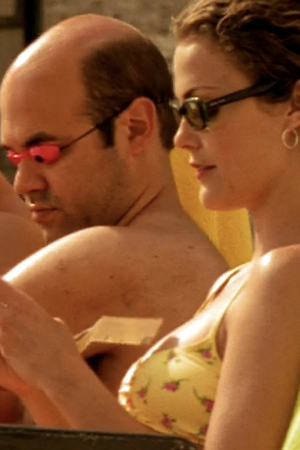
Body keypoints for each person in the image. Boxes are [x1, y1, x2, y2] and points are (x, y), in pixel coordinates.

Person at [0, 1, 300, 449]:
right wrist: (41, 381)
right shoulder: (236, 280)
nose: (180, 136)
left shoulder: (282, 275)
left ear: (295, 104)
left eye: (202, 108)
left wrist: (60, 374)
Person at [0, 13, 229, 423]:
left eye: (43, 155)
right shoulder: (186, 254)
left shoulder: (114, 254)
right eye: (13, 158)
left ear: (136, 129)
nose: (24, 182)